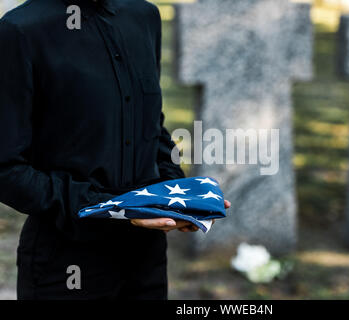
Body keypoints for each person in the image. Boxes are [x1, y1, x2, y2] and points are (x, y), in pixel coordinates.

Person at [0, 0, 230, 300]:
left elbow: (150, 127)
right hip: (66, 264)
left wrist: (176, 196)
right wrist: (111, 208)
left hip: (147, 259)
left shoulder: (144, 16)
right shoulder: (20, 30)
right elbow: (6, 169)